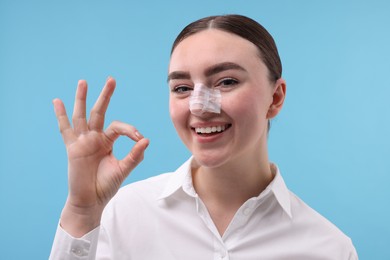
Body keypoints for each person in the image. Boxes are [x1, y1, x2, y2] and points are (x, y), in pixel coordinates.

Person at [49, 14, 358, 259]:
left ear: (275, 98)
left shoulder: (329, 249)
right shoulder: (125, 212)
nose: (199, 106)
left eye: (225, 81)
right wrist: (82, 211)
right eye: (182, 88)